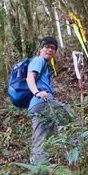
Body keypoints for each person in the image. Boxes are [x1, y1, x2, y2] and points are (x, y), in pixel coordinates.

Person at [26, 36, 68, 164]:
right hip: (42, 100)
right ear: (41, 49)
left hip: (35, 105)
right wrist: (37, 92)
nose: (49, 50)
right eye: (47, 47)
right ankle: (75, 158)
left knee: (41, 136)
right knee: (72, 120)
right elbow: (29, 77)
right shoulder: (39, 60)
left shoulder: (45, 64)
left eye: (53, 48)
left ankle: (39, 168)